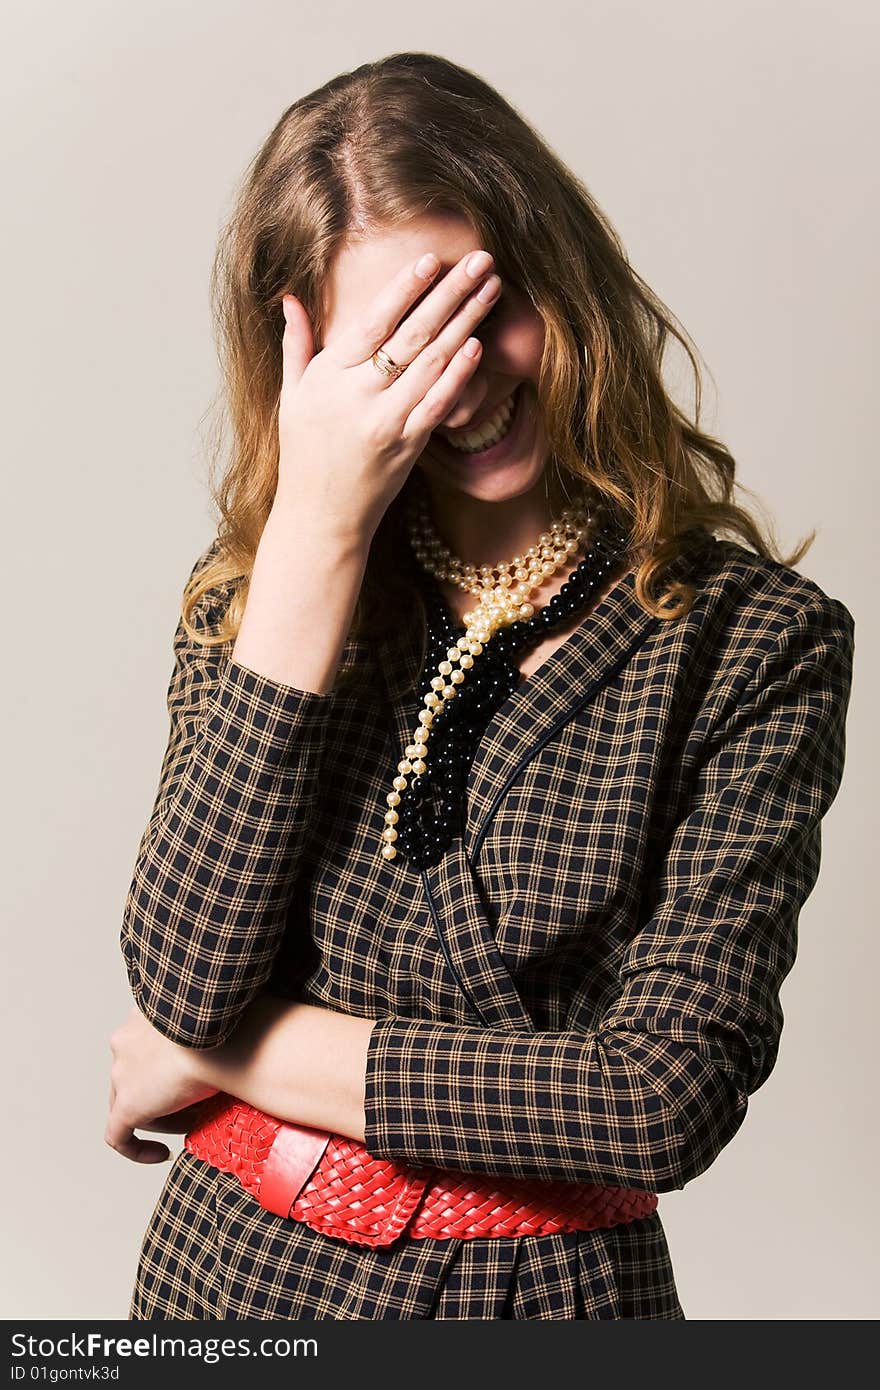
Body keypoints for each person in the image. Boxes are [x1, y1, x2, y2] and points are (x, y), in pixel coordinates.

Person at [106, 52, 855, 1320]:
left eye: (481, 308)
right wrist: (316, 535)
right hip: (226, 1279)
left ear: (566, 287)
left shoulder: (753, 642)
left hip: (544, 1294)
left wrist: (234, 1052)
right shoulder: (255, 595)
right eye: (394, 344)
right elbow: (179, 977)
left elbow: (657, 1098)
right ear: (311, 372)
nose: (458, 379)